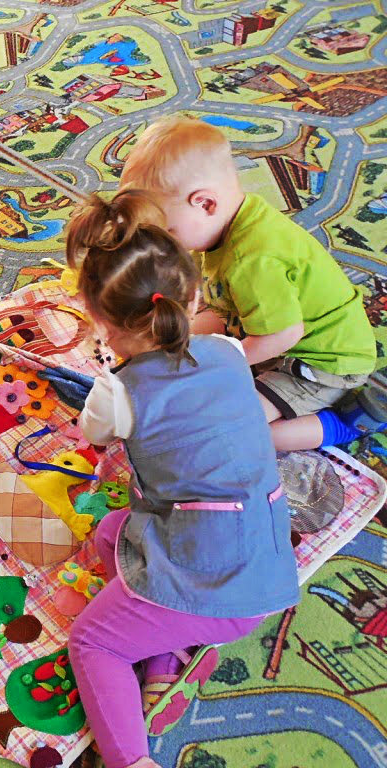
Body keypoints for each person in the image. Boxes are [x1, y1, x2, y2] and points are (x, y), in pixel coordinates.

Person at [65, 190, 299, 768]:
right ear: (192, 296)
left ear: (99, 322)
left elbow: (93, 434)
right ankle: (164, 650)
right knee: (112, 534)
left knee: (91, 642)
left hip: (219, 585)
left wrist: (109, 380)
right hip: (265, 551)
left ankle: (132, 761)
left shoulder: (118, 393)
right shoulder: (227, 349)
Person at [120, 115, 376, 451]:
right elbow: (215, 304)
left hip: (321, 362)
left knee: (238, 428)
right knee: (178, 339)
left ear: (205, 204)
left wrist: (218, 363)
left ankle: (344, 424)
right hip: (268, 328)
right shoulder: (229, 219)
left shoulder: (252, 261)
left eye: (170, 232)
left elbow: (283, 335)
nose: (169, 244)